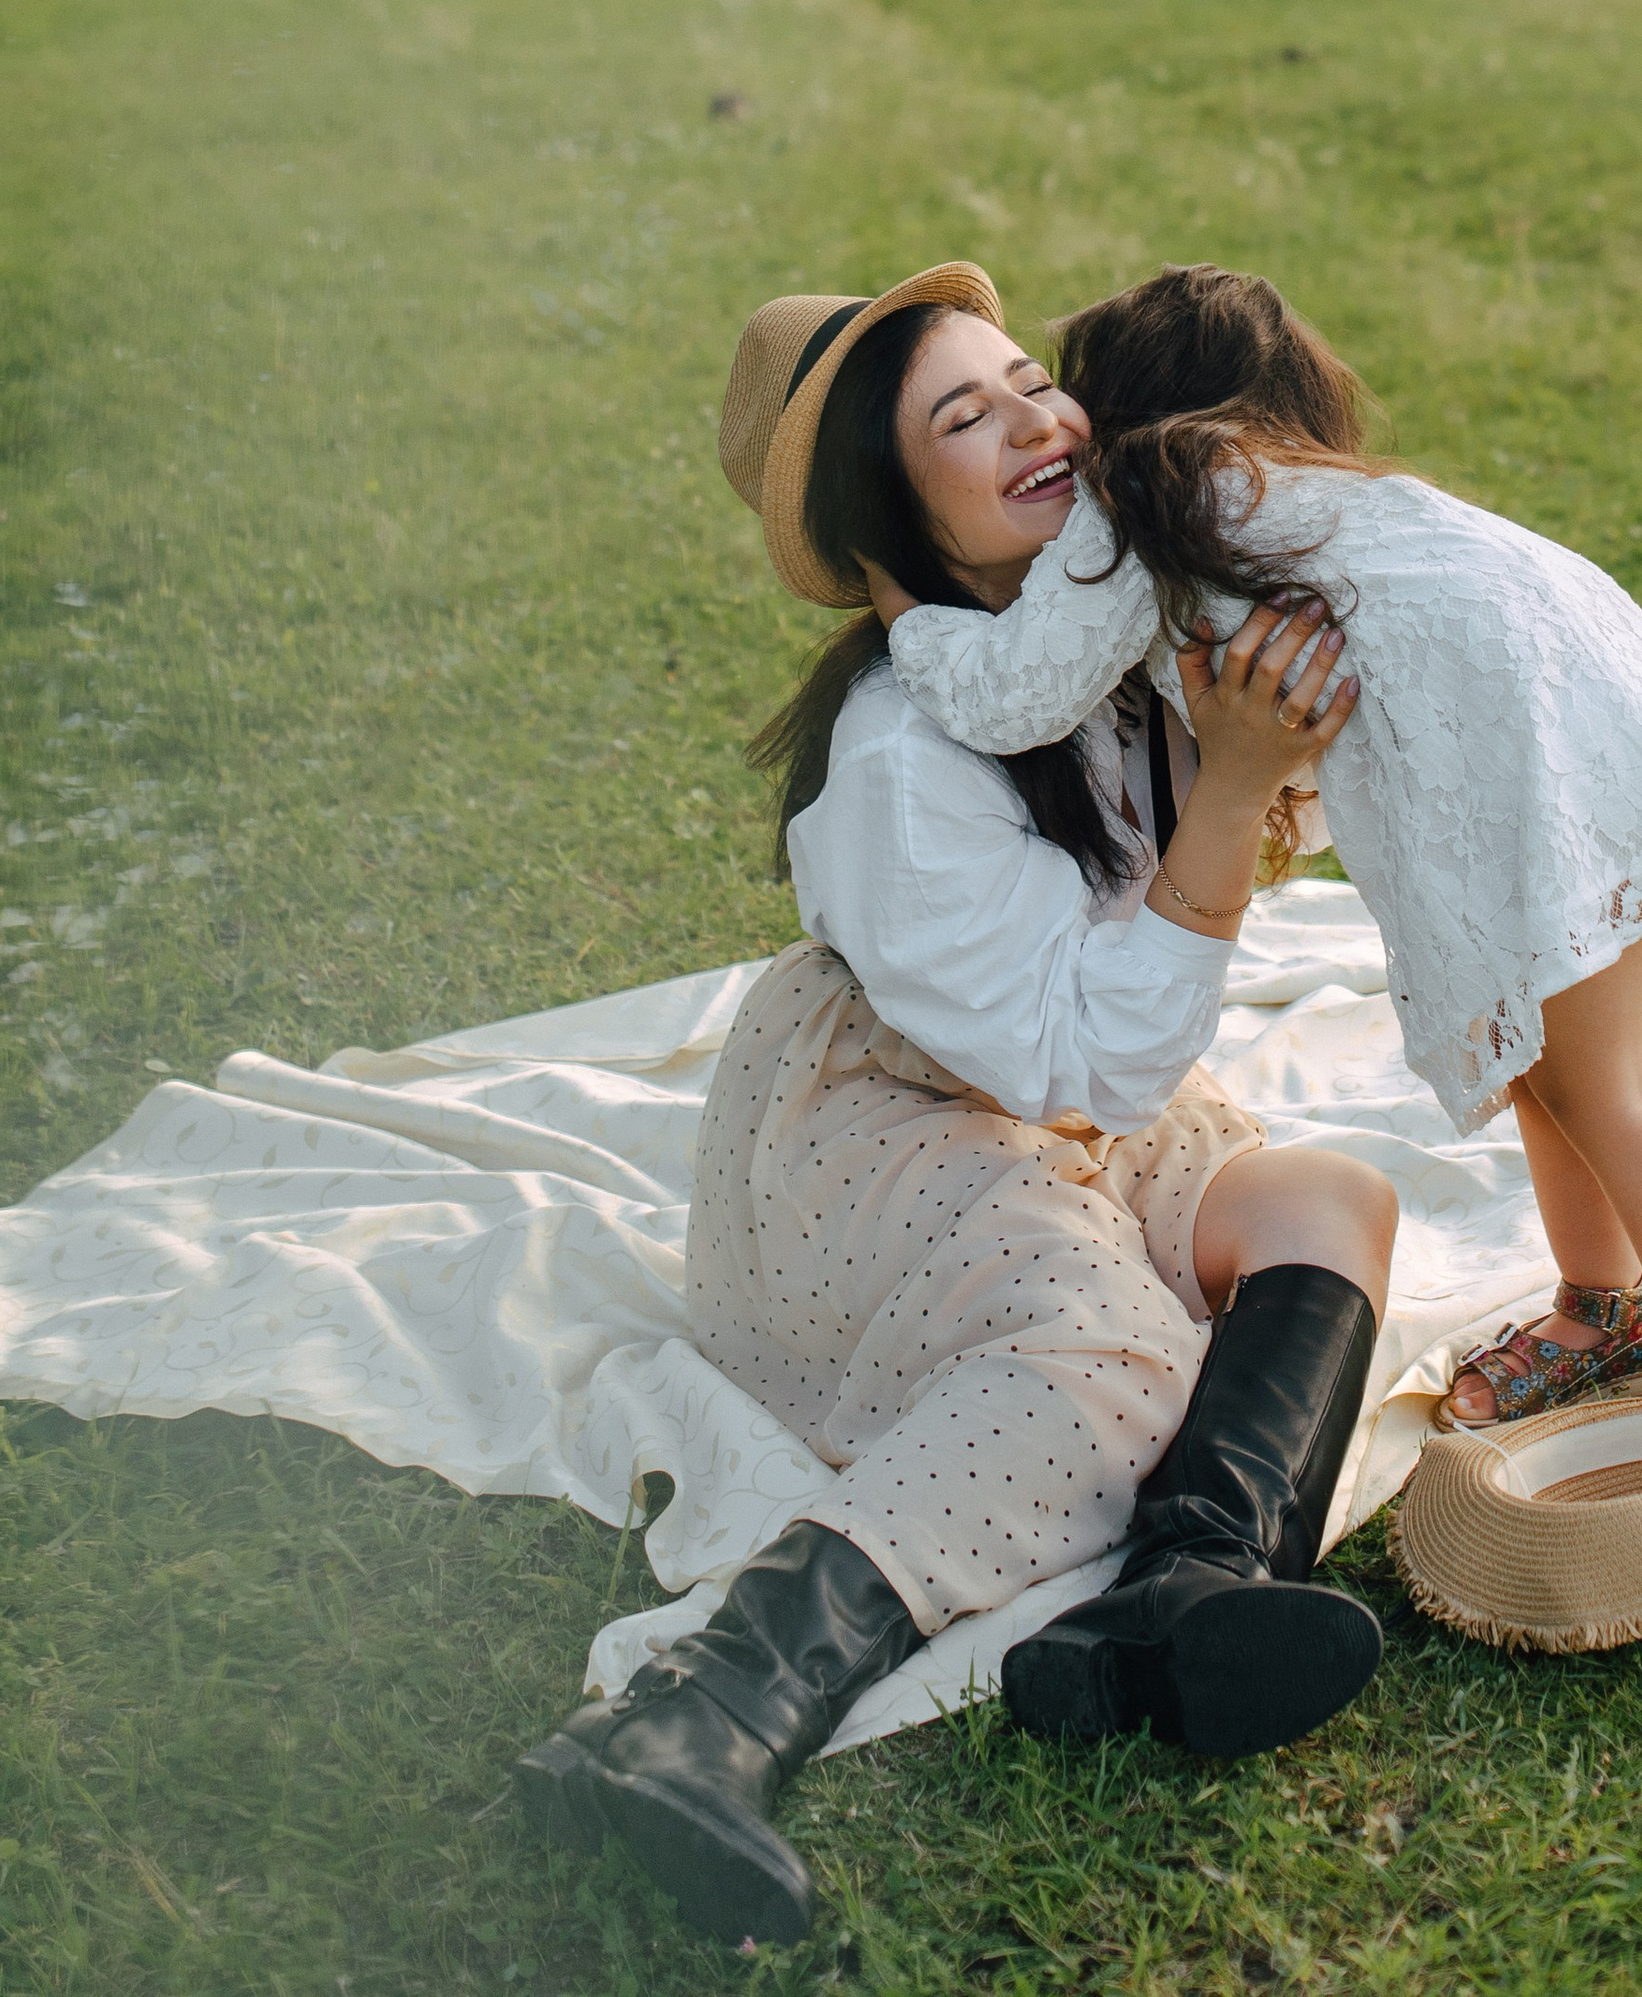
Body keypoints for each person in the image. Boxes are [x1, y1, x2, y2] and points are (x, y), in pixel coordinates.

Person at [521, 263, 1402, 1949]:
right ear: (892, 515)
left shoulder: (1088, 625)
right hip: (880, 1136)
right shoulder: (900, 764)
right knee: (1112, 1361)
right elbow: (1089, 1061)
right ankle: (705, 1714)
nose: (1035, 421)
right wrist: (1225, 794)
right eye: (962, 417)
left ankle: (1181, 1591)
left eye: (1027, 381)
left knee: (1331, 1205)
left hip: (1060, 1106)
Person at [876, 263, 1642, 1436]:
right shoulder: (1318, 491)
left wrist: (902, 610)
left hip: (1535, 781)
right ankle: (1603, 1315)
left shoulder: (1136, 508)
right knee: (1553, 1069)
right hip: (1597, 724)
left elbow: (1011, 695)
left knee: (1607, 1093)